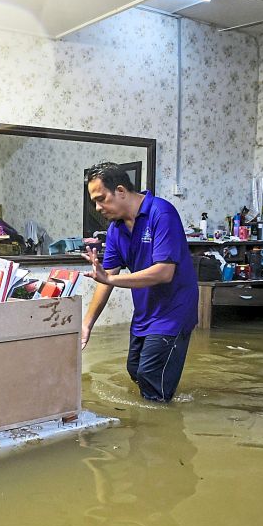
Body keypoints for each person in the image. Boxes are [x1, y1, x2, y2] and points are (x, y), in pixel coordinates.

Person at [81, 162, 197, 402]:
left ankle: (160, 432)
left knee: (151, 377)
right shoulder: (115, 229)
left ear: (121, 191)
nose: (98, 207)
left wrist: (112, 278)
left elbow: (164, 272)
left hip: (174, 312)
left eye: (101, 198)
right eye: (94, 201)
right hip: (145, 311)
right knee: (135, 370)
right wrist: (87, 324)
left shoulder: (161, 213)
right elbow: (106, 279)